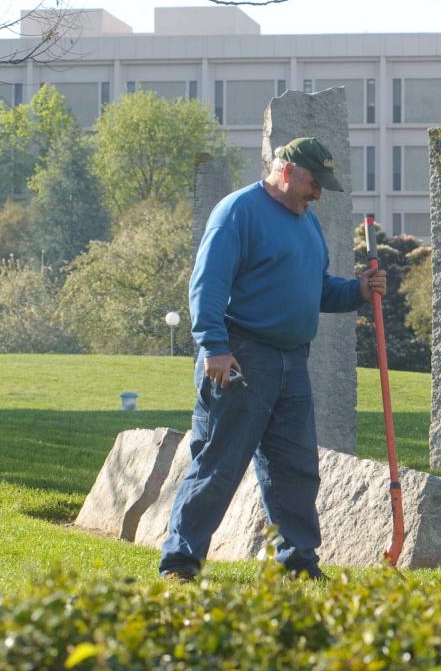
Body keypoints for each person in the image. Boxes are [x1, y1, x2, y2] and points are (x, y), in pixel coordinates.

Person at [158, 137, 386, 583]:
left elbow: (317, 290)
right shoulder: (237, 212)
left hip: (291, 361)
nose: (318, 192)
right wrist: (215, 348)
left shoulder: (308, 223)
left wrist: (358, 291)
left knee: (296, 469)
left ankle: (298, 564)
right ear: (286, 170)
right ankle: (180, 562)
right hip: (241, 356)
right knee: (219, 463)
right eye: (313, 182)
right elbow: (206, 287)